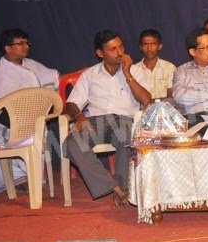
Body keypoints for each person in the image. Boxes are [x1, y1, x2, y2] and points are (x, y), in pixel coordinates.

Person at [63, 30, 151, 206]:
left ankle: (122, 188)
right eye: (113, 49)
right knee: (71, 144)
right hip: (95, 122)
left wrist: (128, 74)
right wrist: (79, 115)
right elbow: (71, 103)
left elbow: (146, 101)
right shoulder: (90, 74)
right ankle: (116, 187)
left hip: (124, 120)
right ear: (100, 53)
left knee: (127, 138)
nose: (120, 52)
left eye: (121, 47)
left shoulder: (135, 71)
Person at [0, 28, 59, 193]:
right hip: (1, 122)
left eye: (27, 43)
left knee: (37, 130)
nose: (26, 46)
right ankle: (11, 180)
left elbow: (54, 79)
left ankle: (31, 178)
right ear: (7, 48)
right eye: (20, 44)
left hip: (30, 121)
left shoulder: (33, 65)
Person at [131, 29, 176, 99]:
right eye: (145, 44)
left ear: (160, 46)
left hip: (164, 106)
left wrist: (152, 103)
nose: (149, 48)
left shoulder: (169, 68)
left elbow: (171, 96)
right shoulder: (134, 70)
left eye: (153, 44)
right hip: (142, 106)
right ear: (140, 47)